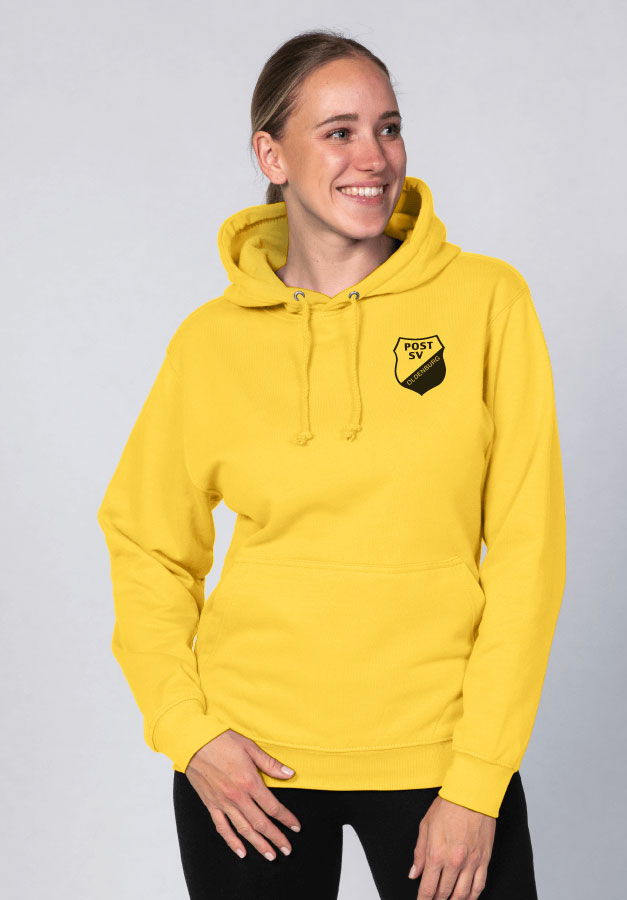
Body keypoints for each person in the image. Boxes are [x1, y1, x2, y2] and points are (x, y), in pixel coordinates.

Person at [97, 28, 566, 900]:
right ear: (270, 155)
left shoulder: (486, 302)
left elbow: (528, 553)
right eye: (339, 131)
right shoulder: (210, 342)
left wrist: (478, 778)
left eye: (387, 128)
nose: (373, 157)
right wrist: (190, 732)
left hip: (441, 759)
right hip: (249, 767)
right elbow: (146, 545)